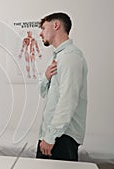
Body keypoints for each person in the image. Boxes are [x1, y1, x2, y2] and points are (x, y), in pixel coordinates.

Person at [36, 12, 88, 161]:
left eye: (44, 28)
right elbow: (43, 93)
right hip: (51, 134)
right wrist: (46, 78)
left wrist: (51, 137)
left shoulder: (71, 57)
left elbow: (68, 101)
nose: (40, 33)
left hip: (61, 137)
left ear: (56, 25)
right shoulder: (58, 57)